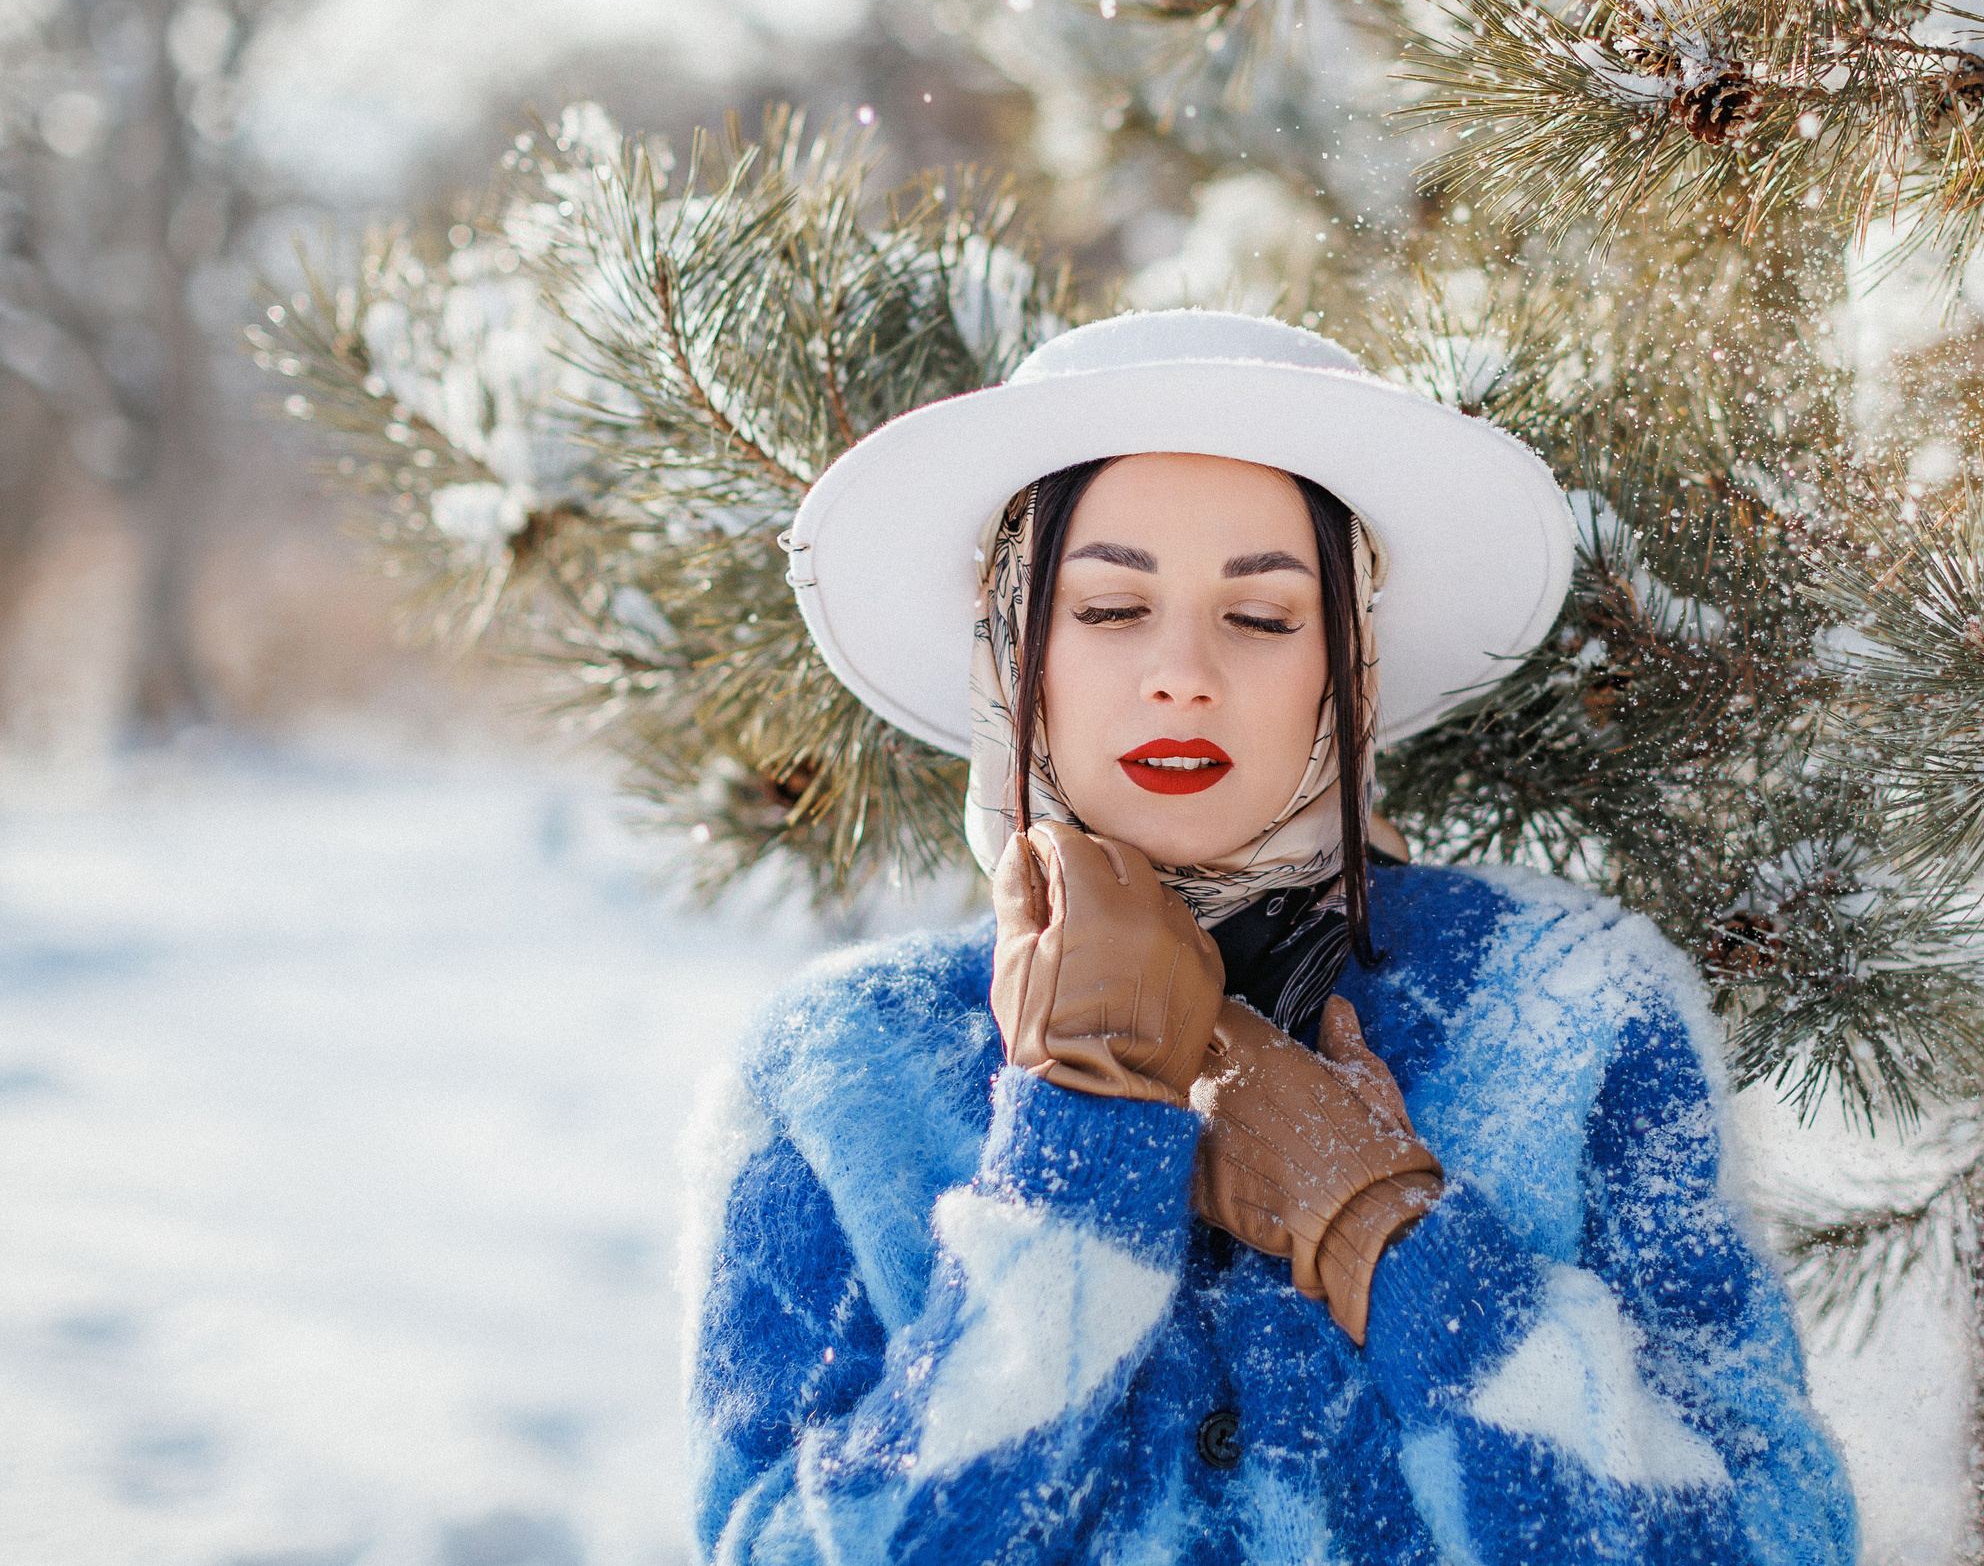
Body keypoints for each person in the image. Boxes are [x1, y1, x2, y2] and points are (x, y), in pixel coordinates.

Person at [682, 311, 1857, 1565]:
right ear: (1012, 649)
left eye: (1261, 617)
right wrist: (1075, 1161)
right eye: (1110, 606)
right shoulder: (839, 1069)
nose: (1183, 671)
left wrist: (1401, 1246)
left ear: (1344, 666)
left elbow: (1776, 1537)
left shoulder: (1576, 1008)